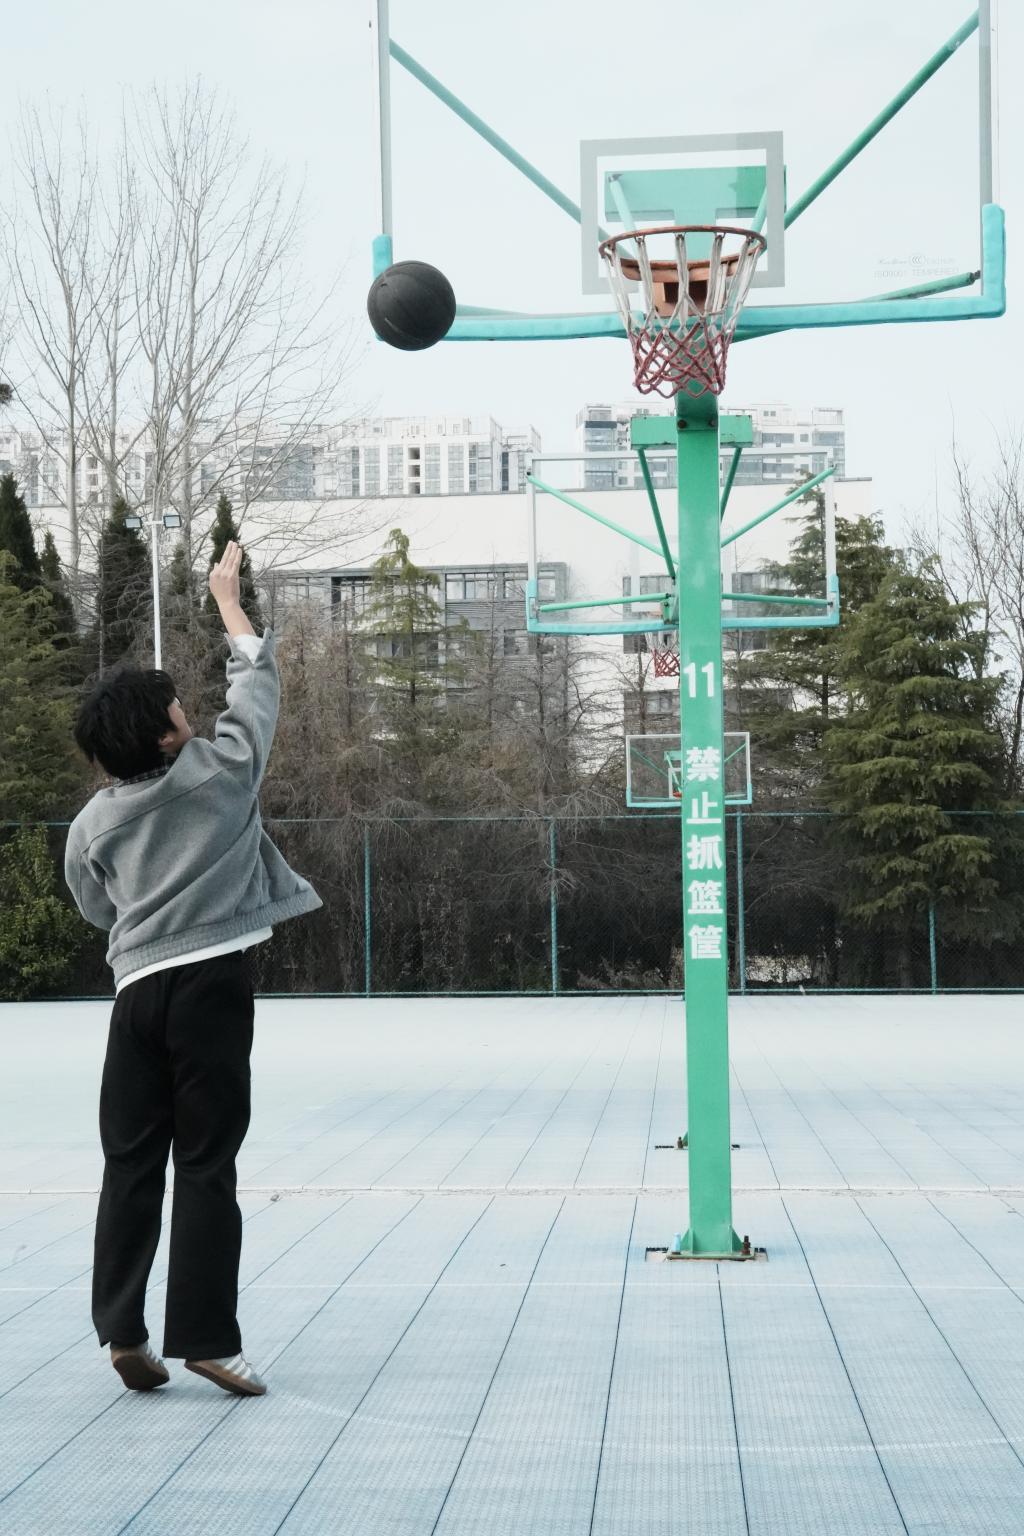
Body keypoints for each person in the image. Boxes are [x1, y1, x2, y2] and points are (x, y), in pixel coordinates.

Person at [65, 541, 322, 1397]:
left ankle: (121, 1332)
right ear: (168, 733)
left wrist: (142, 927)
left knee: (130, 1163)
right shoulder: (220, 773)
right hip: (211, 985)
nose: (189, 711)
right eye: (179, 707)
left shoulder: (94, 823)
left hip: (135, 995)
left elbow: (94, 904)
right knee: (206, 1164)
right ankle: (208, 1339)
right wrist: (230, 603)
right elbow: (257, 690)